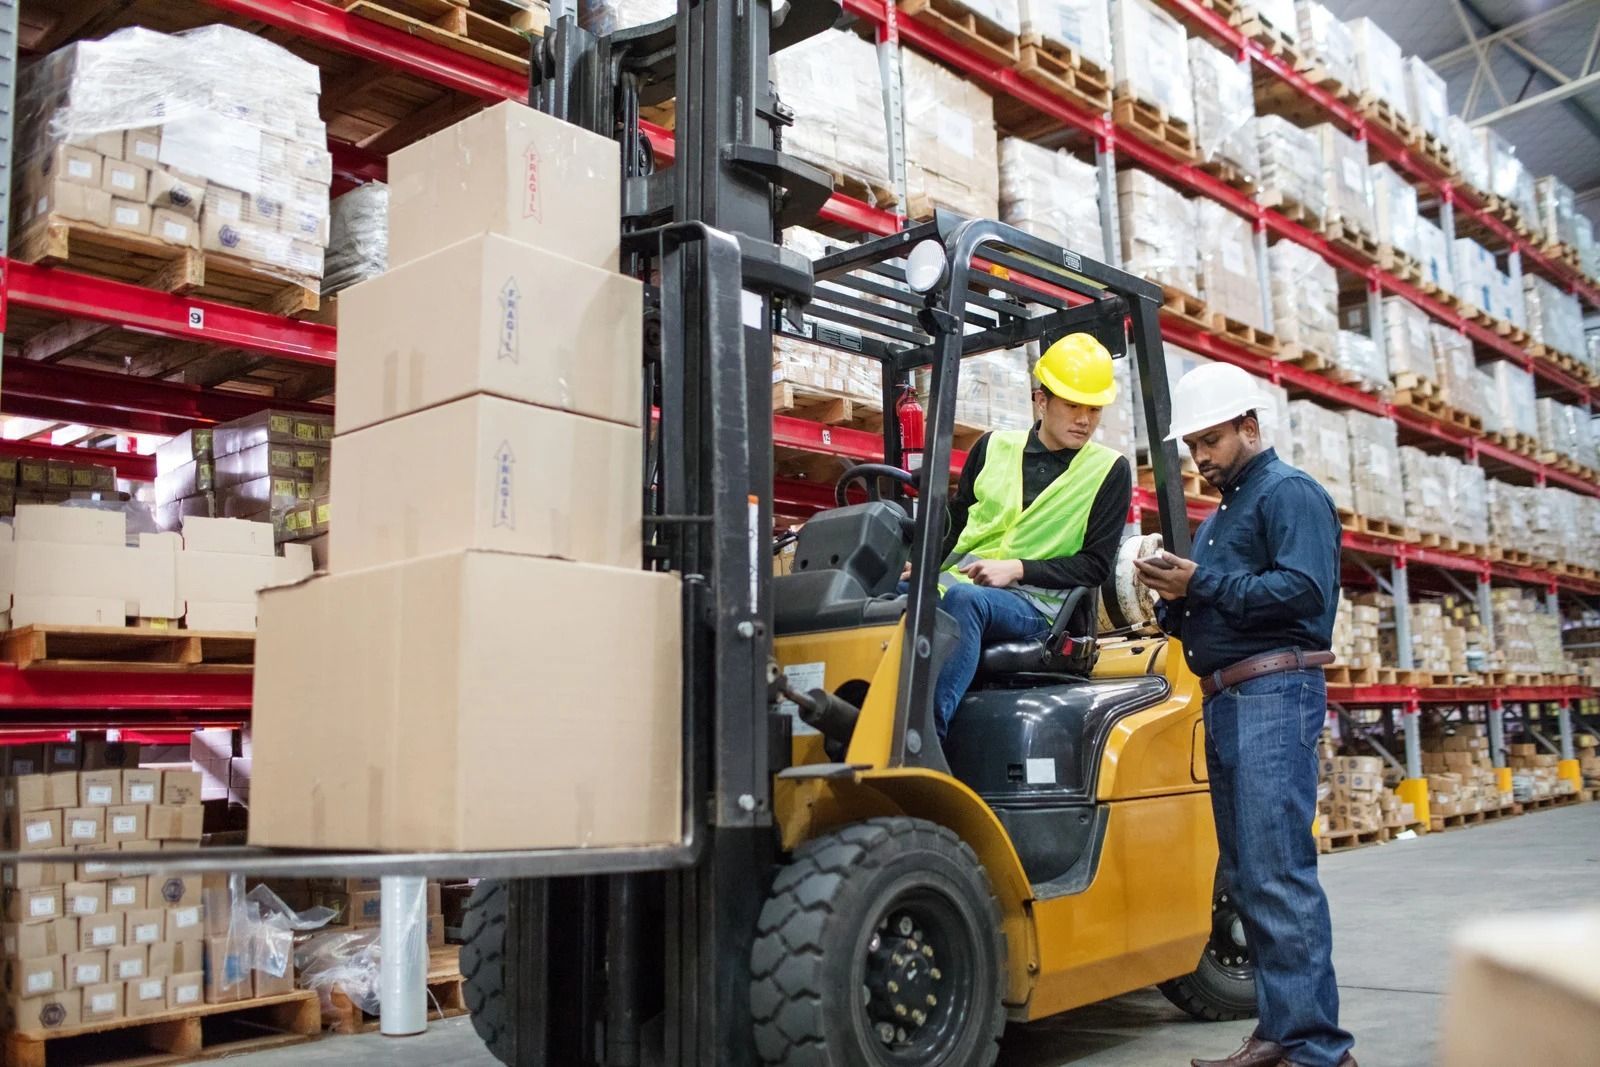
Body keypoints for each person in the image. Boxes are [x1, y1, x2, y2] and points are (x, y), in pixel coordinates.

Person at [1132, 362, 1355, 1067]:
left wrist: (1202, 580)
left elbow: (1303, 590)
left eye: (1211, 440)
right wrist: (1171, 597)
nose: (1200, 457)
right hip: (1229, 698)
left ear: (1250, 427)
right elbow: (1222, 597)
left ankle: (1316, 1048)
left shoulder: (1290, 494)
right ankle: (1281, 1030)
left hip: (1273, 693)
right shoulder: (1223, 515)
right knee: (1248, 872)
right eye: (1192, 445)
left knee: (1279, 869)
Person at [915, 332, 1132, 737]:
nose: (1084, 419)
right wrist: (921, 565)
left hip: (1038, 608)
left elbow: (1095, 566)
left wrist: (1016, 568)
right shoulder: (992, 447)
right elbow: (957, 520)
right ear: (1041, 400)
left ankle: (926, 740)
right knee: (890, 600)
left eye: (1093, 409)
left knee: (966, 601)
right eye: (1072, 405)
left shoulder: (1109, 470)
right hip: (966, 587)